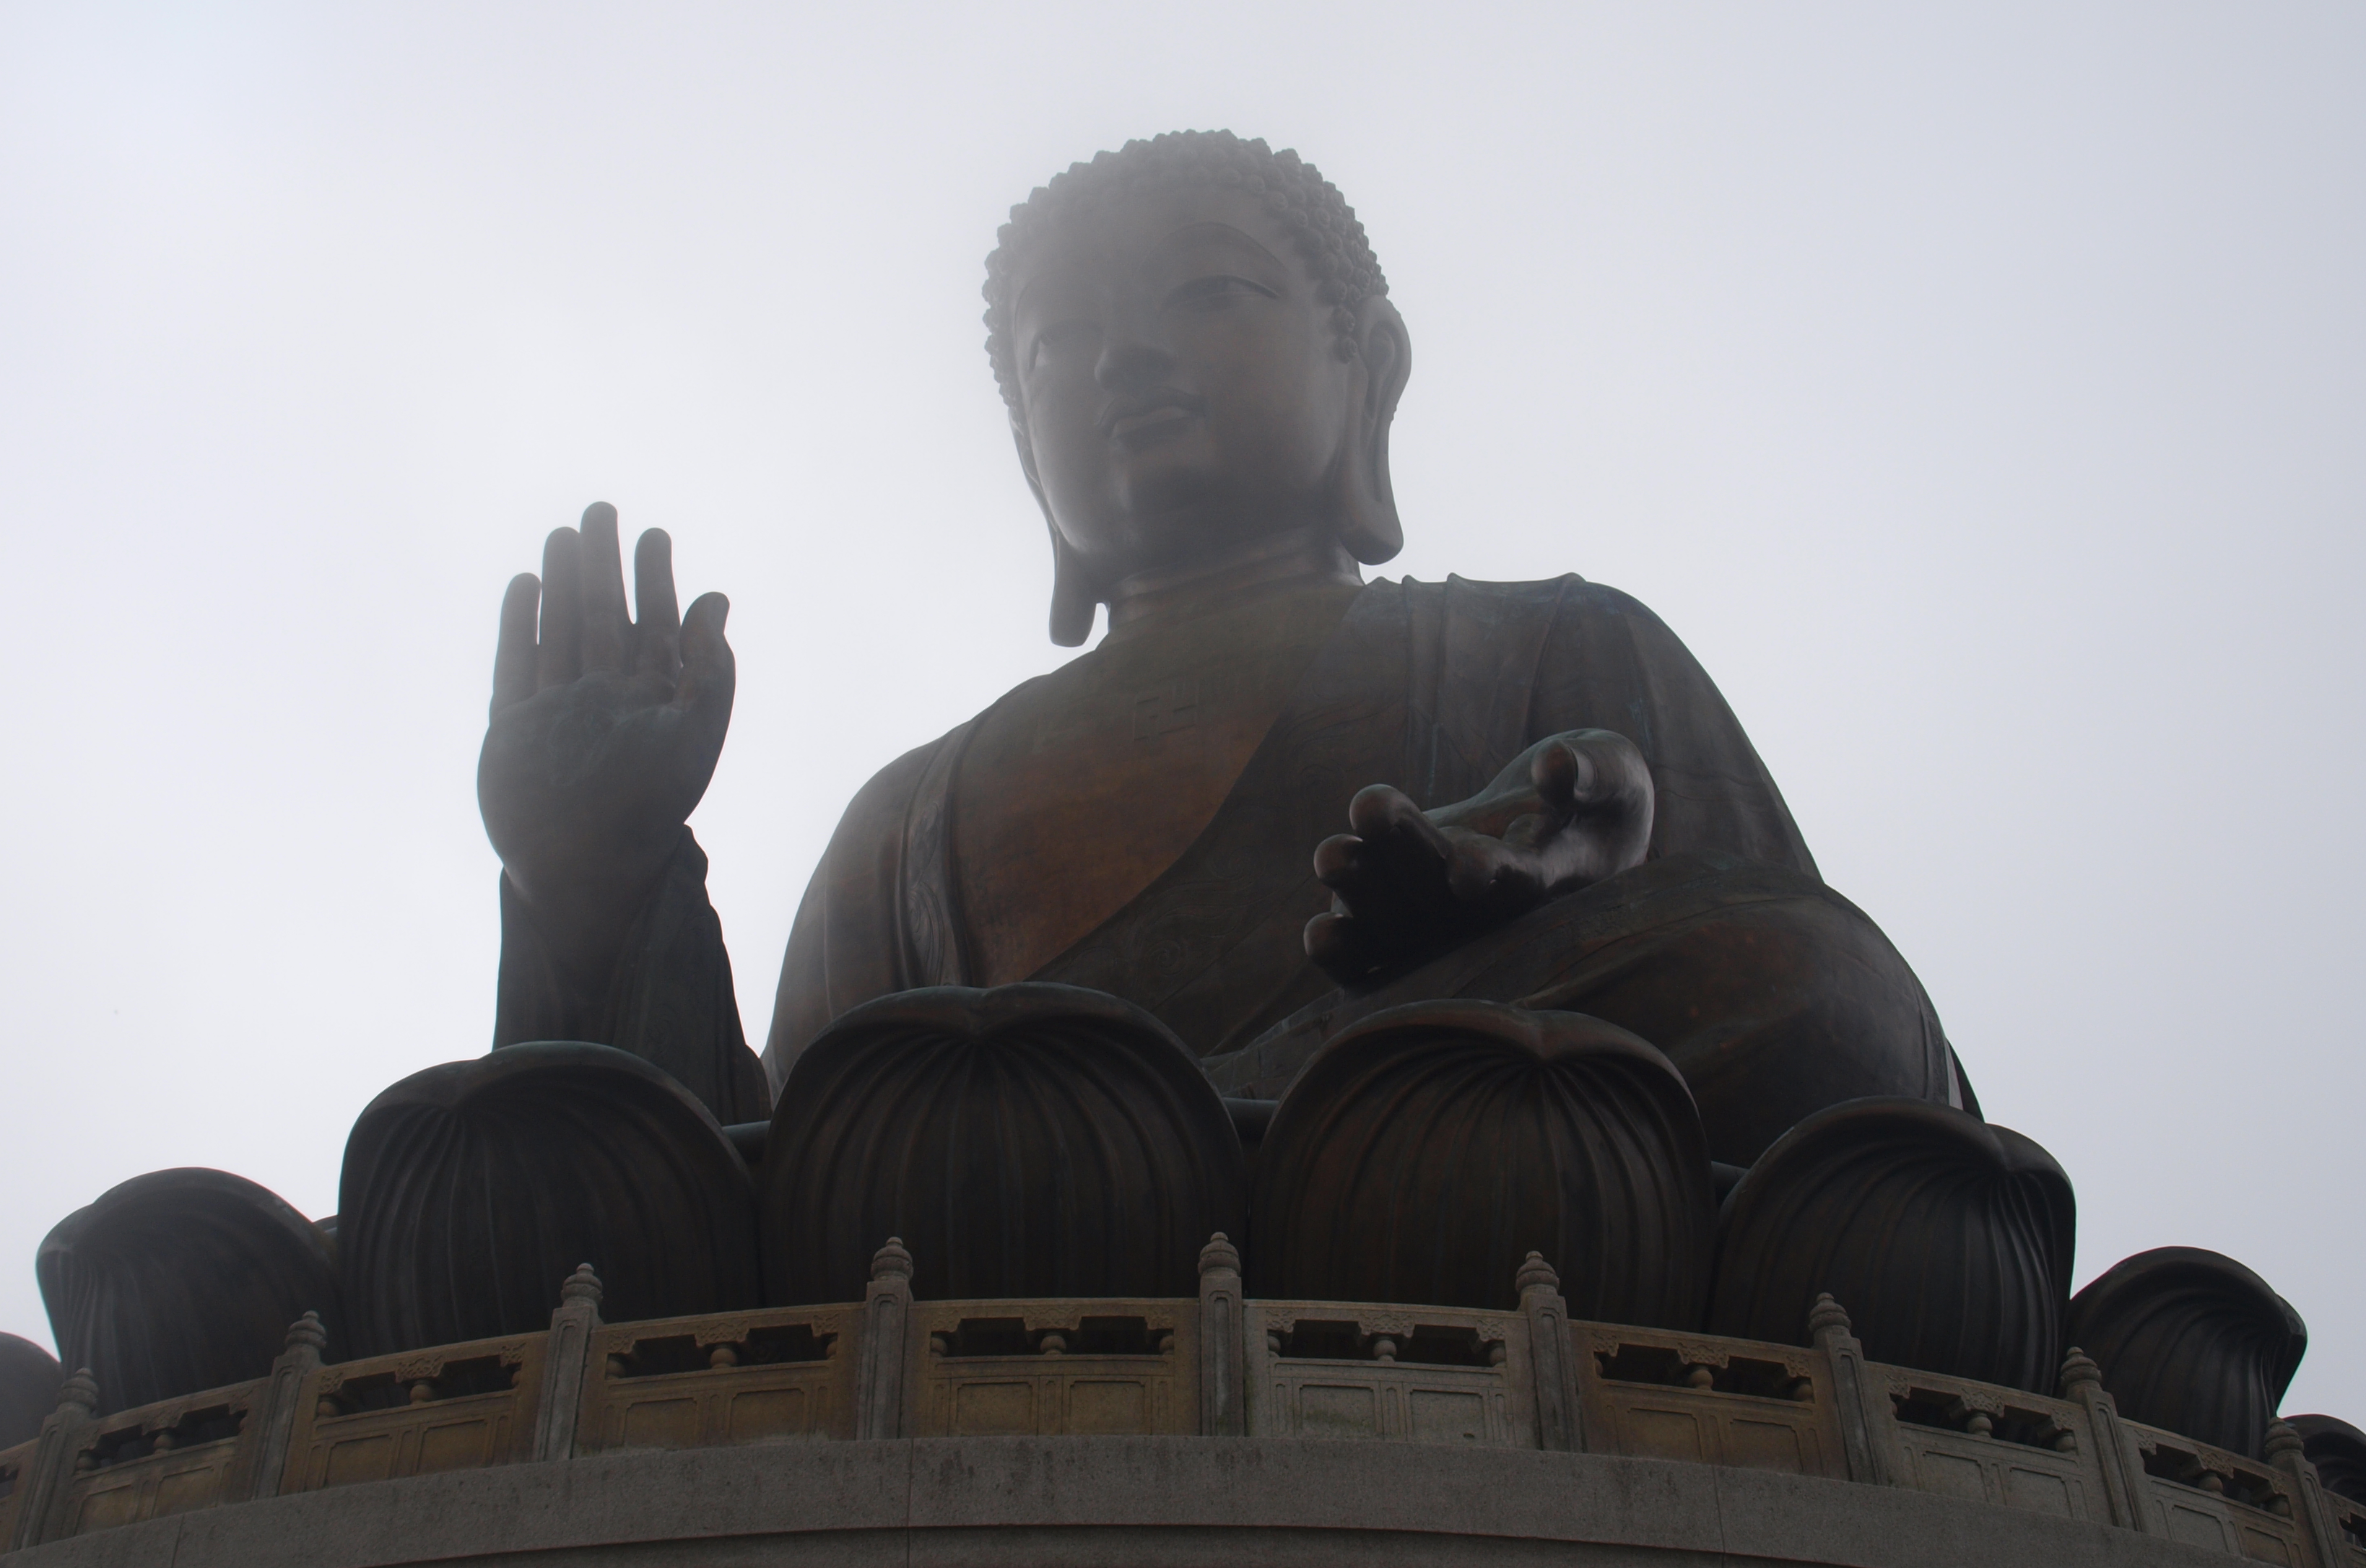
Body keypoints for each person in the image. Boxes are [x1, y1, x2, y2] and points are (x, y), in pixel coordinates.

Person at [474, 133, 1967, 1169]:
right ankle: (1176, 1142)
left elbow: (1808, 1028)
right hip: (1016, 1222)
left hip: (1415, 1164)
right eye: (1060, 341)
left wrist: (1556, 885)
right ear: (1027, 447)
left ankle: (1170, 1143)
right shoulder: (909, 821)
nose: (1124, 355)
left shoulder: (1549, 642)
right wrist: (593, 880)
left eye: (1208, 293)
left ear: (1367, 374)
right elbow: (758, 1170)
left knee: (1816, 978)